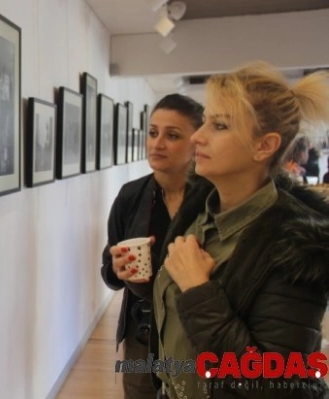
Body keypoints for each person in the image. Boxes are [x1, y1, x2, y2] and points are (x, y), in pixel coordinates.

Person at [129, 62, 329, 398]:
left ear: (264, 146)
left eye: (219, 125)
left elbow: (274, 384)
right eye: (205, 120)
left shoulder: (296, 246)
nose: (197, 136)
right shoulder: (200, 207)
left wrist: (198, 290)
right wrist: (142, 284)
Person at [100, 94, 204, 399]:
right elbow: (109, 269)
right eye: (153, 132)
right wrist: (118, 271)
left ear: (196, 143)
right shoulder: (131, 197)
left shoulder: (213, 198)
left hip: (194, 332)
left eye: (172, 135)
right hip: (142, 331)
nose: (157, 144)